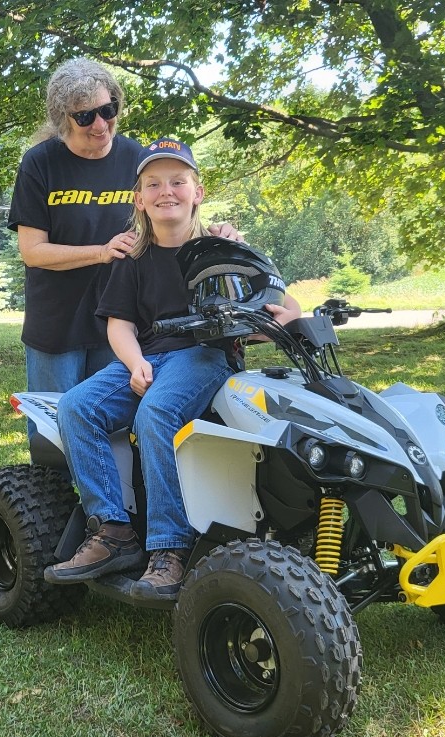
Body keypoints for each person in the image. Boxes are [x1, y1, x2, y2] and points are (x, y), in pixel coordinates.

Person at [44, 138, 302, 602]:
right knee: (77, 407)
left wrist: (280, 319)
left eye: (178, 182)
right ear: (139, 199)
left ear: (197, 192)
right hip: (150, 356)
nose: (167, 192)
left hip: (204, 357)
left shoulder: (221, 251)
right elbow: (120, 326)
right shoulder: (134, 258)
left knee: (156, 413)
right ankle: (113, 531)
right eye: (154, 184)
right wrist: (135, 361)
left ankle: (169, 549)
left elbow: (283, 304)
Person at [7, 58, 241, 435]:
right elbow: (33, 251)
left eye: (107, 110)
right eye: (84, 117)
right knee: (53, 433)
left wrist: (218, 233)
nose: (100, 125)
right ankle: (51, 496)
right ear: (62, 118)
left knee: (117, 431)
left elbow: (174, 209)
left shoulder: (136, 157)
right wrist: (100, 252)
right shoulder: (40, 163)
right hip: (58, 319)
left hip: (126, 320)